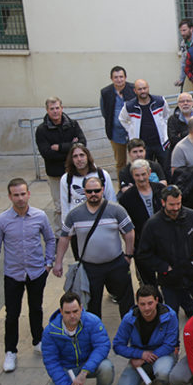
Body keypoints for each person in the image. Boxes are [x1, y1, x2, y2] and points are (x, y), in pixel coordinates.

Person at [0, 177, 55, 372]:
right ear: (10, 197)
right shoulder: (1, 221)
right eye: (16, 195)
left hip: (36, 272)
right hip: (13, 274)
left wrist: (48, 263)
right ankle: (10, 352)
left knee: (36, 308)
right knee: (12, 314)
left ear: (29, 194)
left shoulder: (40, 216)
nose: (20, 198)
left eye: (23, 194)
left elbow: (50, 239)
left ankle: (38, 340)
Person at [54, 176, 135, 319]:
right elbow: (65, 237)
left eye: (97, 190)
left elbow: (129, 232)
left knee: (126, 303)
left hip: (116, 264)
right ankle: (94, 337)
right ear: (84, 192)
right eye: (89, 191)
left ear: (102, 190)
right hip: (90, 268)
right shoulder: (75, 214)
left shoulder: (116, 210)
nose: (93, 194)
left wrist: (128, 256)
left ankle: (128, 333)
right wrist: (58, 262)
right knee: (92, 306)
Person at [136, 185, 193, 318]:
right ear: (163, 202)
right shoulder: (153, 225)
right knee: (171, 317)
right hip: (170, 281)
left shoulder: (192, 217)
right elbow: (143, 254)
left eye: (178, 204)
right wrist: (164, 267)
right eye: (172, 205)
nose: (176, 208)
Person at [42, 292, 114, 385]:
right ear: (61, 311)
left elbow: (102, 346)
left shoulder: (93, 321)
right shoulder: (50, 331)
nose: (72, 316)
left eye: (75, 311)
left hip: (88, 364)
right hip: (67, 368)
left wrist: (85, 371)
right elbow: (51, 362)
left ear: (81, 308)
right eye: (68, 313)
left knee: (106, 368)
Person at [112, 285, 179, 385]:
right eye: (142, 304)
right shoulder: (129, 318)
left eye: (150, 303)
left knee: (162, 371)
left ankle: (165, 383)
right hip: (139, 356)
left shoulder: (170, 315)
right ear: (137, 303)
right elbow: (117, 345)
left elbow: (170, 344)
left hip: (163, 354)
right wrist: (139, 354)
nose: (146, 308)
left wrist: (145, 358)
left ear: (157, 301)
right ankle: (150, 372)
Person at [36, 97, 85, 230]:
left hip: (74, 172)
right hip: (55, 173)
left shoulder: (73, 124)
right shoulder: (41, 130)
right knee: (59, 206)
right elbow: (47, 154)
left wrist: (59, 147)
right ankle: (59, 234)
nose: (55, 111)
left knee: (78, 201)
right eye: (52, 109)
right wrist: (71, 148)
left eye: (57, 108)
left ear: (62, 108)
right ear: (47, 110)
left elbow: (82, 144)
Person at [116, 159, 165, 286]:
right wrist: (131, 249)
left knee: (168, 278)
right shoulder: (126, 198)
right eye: (137, 175)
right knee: (148, 282)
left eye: (143, 174)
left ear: (149, 173)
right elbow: (125, 227)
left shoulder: (161, 190)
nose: (141, 178)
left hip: (164, 242)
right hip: (142, 246)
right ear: (132, 176)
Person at [59, 143, 116, 221]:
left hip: (101, 220)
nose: (79, 159)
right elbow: (65, 206)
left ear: (87, 156)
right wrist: (67, 228)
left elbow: (111, 200)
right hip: (78, 222)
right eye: (75, 156)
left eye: (82, 155)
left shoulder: (102, 175)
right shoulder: (66, 179)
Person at [100, 66, 135, 173]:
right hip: (116, 133)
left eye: (121, 77)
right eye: (116, 77)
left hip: (132, 131)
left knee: (137, 161)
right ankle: (122, 186)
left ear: (125, 77)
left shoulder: (133, 89)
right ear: (111, 78)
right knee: (120, 163)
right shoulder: (105, 92)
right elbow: (104, 111)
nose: (119, 80)